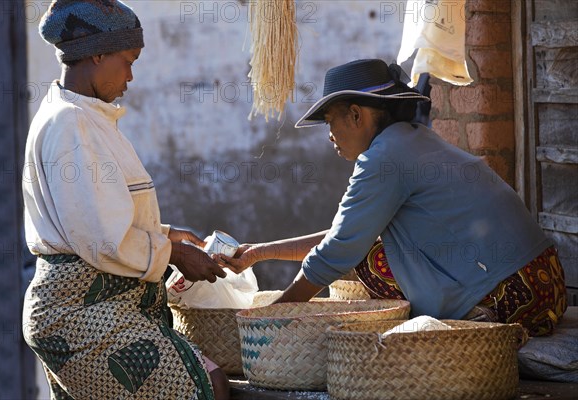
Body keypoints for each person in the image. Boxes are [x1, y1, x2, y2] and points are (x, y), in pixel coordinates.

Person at [218, 59, 568, 337]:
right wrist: (262, 253)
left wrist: (272, 317)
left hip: (511, 299)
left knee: (366, 257)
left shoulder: (383, 158)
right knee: (368, 247)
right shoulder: (411, 140)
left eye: (330, 122)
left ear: (356, 115)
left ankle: (472, 318)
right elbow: (347, 236)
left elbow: (341, 249)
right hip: (546, 283)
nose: (329, 136)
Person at [22, 1, 229, 398]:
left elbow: (98, 212)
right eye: (128, 60)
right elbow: (103, 239)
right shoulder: (70, 123)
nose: (131, 76)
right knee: (208, 386)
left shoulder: (85, 117)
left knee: (210, 380)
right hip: (81, 314)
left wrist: (167, 234)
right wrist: (172, 253)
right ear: (98, 53)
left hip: (96, 309)